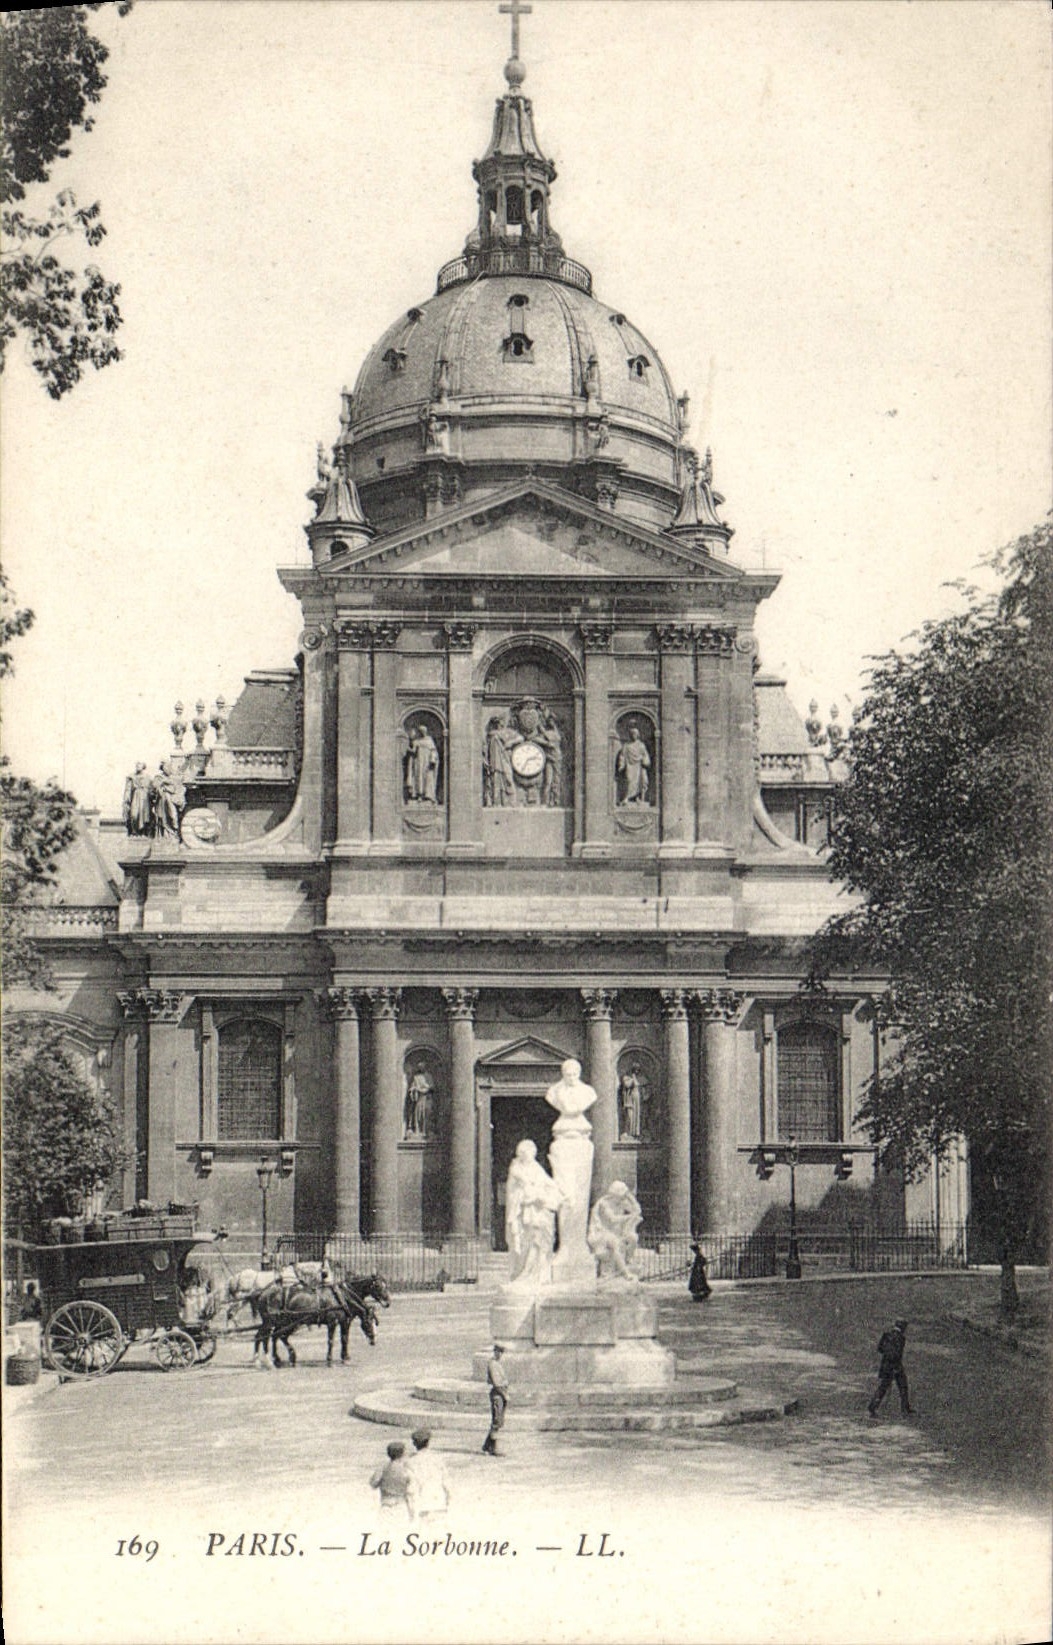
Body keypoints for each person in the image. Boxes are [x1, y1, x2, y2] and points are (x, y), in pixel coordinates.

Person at [505, 1140, 564, 1287]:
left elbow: (548, 1183)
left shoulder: (535, 1167)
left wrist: (556, 1191)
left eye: (531, 1152)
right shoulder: (516, 1169)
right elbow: (518, 1192)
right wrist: (532, 1195)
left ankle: (538, 1275)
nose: (528, 1155)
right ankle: (526, 1274)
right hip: (527, 1213)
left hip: (539, 1212)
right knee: (529, 1243)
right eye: (525, 1152)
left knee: (540, 1244)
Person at [868, 1318, 914, 1417]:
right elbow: (898, 1354)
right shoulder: (901, 1338)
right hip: (896, 1366)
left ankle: (873, 1407)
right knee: (903, 1387)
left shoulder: (886, 1335)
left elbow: (880, 1349)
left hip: (885, 1366)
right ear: (903, 1328)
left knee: (883, 1388)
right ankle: (905, 1408)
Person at [405, 1429, 450, 1523]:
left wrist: (411, 1511)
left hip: (422, 1506)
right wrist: (448, 1500)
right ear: (428, 1442)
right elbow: (447, 1483)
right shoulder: (438, 1459)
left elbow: (411, 1488)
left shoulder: (410, 1462)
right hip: (439, 1503)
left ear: (414, 1444)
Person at [370, 1440, 412, 1516]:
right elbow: (411, 1487)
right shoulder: (406, 1469)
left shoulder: (382, 1468)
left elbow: (373, 1484)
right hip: (401, 1504)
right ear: (402, 1454)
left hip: (386, 1504)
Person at [482, 1344, 508, 1456]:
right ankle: (494, 1447)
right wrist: (505, 1395)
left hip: (501, 1394)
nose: (500, 1354)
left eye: (502, 1352)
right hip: (498, 1394)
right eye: (498, 1351)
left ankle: (487, 1445)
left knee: (499, 1421)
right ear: (495, 1351)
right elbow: (497, 1383)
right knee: (496, 1422)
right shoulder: (493, 1364)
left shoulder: (497, 1364)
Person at [615, 724, 651, 804]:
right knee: (629, 780)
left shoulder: (641, 745)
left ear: (638, 735)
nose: (633, 735)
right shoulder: (626, 746)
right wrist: (621, 765)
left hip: (639, 767)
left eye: (635, 734)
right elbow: (622, 756)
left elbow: (645, 755)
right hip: (630, 766)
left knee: (641, 782)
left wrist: (645, 761)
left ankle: (638, 798)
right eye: (632, 734)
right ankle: (627, 797)